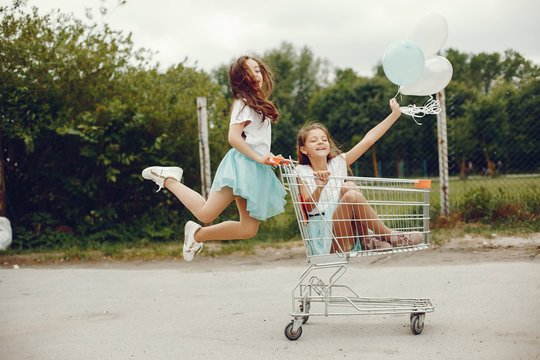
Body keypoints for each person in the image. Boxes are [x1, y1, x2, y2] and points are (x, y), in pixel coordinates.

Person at [142, 55, 286, 261]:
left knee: (248, 229)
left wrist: (268, 157)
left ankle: (197, 235)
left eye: (257, 70)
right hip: (242, 167)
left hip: (256, 167)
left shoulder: (257, 104)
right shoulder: (242, 103)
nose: (255, 75)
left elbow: (255, 140)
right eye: (249, 71)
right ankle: (168, 179)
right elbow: (234, 138)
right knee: (206, 214)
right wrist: (260, 158)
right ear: (239, 78)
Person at [295, 99, 423, 254]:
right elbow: (308, 207)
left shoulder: (337, 164)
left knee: (349, 187)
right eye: (313, 140)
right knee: (351, 196)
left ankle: (366, 240)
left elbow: (368, 140)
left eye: (324, 139)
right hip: (325, 236)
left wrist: (394, 115)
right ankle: (390, 236)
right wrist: (320, 186)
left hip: (345, 228)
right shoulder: (301, 171)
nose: (320, 142)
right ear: (304, 149)